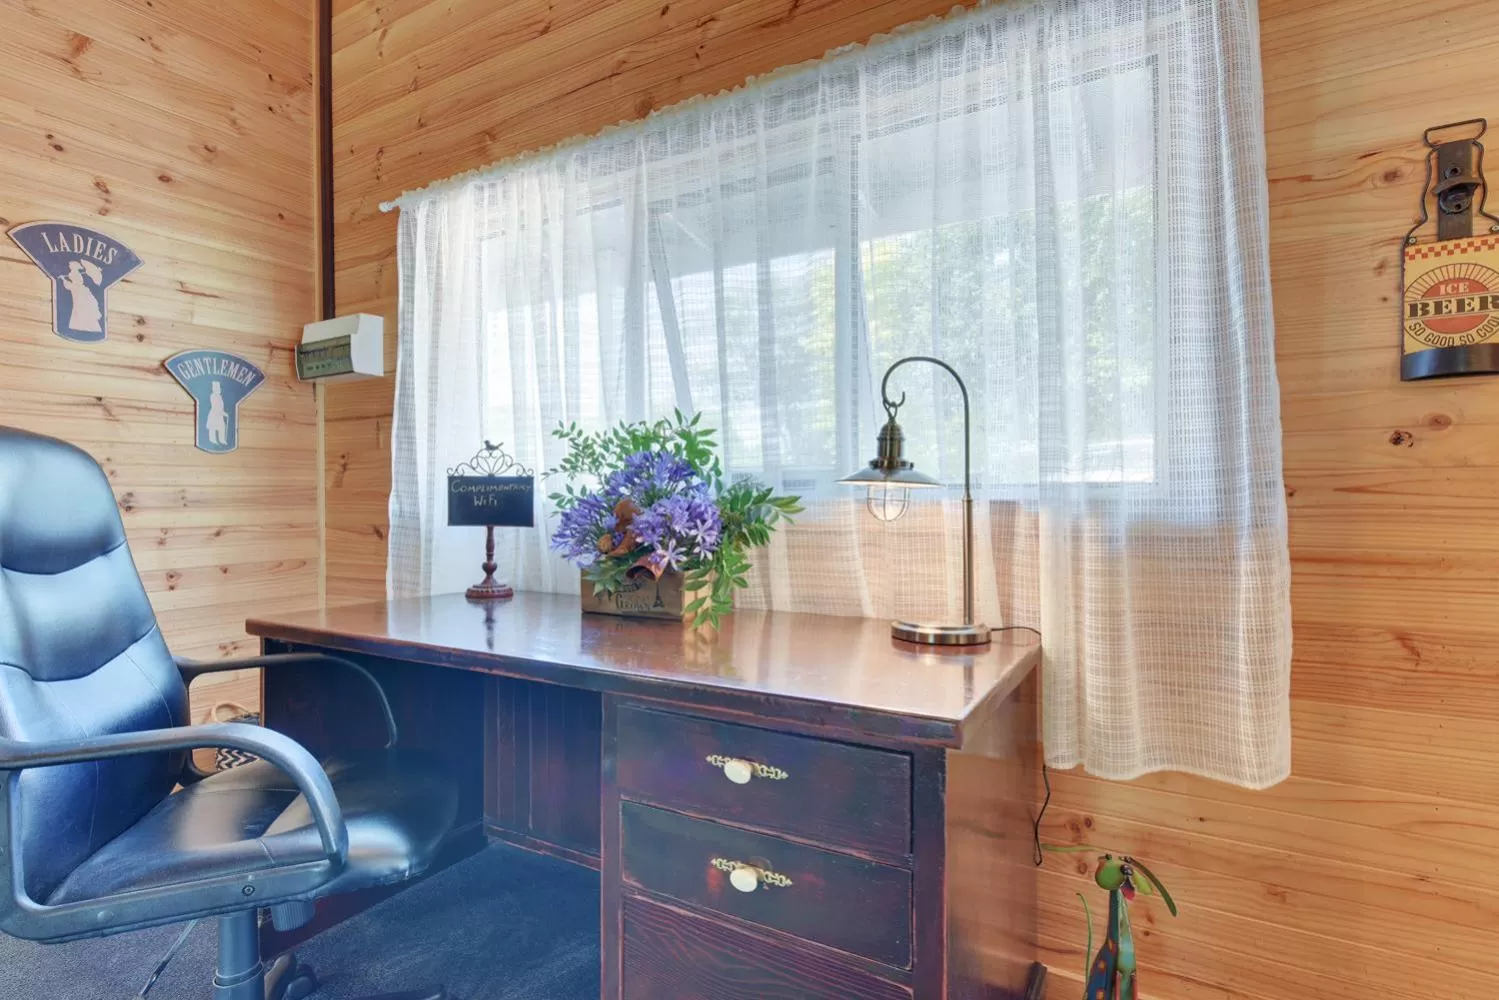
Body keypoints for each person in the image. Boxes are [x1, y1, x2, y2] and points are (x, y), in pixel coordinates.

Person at [59, 259, 103, 335]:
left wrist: (64, 279)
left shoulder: (74, 273)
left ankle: (85, 324)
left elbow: (72, 284)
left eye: (70, 265)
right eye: (69, 265)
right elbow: (72, 284)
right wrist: (64, 279)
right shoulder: (74, 273)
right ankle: (83, 324)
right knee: (81, 306)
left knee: (82, 306)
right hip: (79, 291)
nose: (69, 266)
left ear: (73, 266)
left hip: (79, 291)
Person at [205, 380, 229, 447]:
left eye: (220, 388)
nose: (220, 390)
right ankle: (212, 440)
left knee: (222, 427)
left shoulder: (219, 396)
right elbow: (216, 406)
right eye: (218, 388)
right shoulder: (213, 396)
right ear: (214, 389)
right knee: (213, 428)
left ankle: (222, 440)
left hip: (219, 415)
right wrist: (223, 413)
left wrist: (223, 413)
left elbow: (221, 406)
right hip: (214, 414)